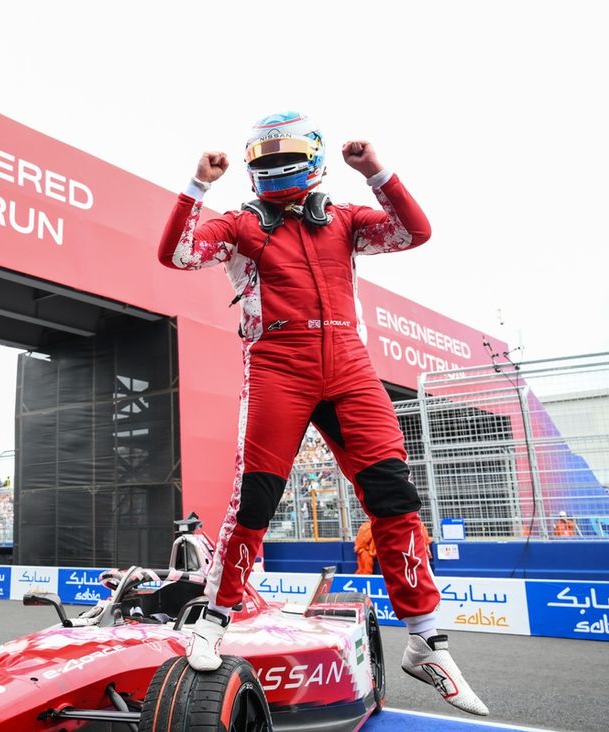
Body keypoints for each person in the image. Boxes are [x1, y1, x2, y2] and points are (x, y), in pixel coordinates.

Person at [157, 112, 487, 715]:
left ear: (313, 155)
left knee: (394, 497)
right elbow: (175, 254)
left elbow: (414, 232)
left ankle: (426, 639)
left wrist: (377, 172)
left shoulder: (342, 218)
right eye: (263, 152)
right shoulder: (239, 224)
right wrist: (197, 187)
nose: (273, 162)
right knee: (254, 499)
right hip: (278, 363)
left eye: (284, 150)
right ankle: (215, 617)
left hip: (351, 368)